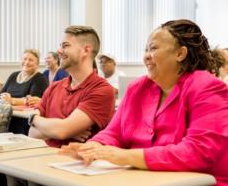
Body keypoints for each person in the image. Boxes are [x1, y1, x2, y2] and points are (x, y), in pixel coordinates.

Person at [61, 20, 228, 186]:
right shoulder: (138, 88)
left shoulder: (207, 88)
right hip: (143, 179)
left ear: (180, 54)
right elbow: (114, 132)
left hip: (199, 181)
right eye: (145, 50)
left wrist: (122, 156)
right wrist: (92, 148)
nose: (146, 56)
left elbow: (196, 153)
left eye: (153, 48)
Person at [0, 25, 115, 186]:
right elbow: (33, 133)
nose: (59, 50)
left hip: (68, 173)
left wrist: (47, 124)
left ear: (86, 50)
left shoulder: (102, 89)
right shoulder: (55, 87)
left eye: (65, 46)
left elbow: (61, 130)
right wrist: (56, 126)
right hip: (36, 163)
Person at [0, 49, 48, 135]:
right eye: (24, 59)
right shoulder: (14, 75)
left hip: (25, 121)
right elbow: (0, 94)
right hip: (8, 116)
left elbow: (31, 101)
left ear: (37, 64)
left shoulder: (40, 79)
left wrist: (11, 100)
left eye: (31, 60)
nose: (26, 62)